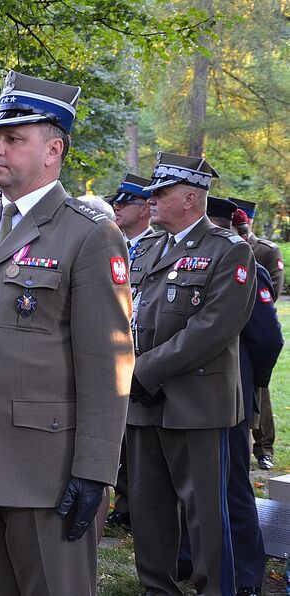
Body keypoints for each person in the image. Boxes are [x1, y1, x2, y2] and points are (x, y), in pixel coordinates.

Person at [0, 70, 133, 596]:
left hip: (45, 472)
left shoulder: (88, 235)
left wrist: (95, 470)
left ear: (53, 150)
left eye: (13, 138)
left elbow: (108, 361)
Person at [126, 152, 256, 595]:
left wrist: (145, 371)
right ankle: (156, 588)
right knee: (148, 510)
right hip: (143, 401)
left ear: (190, 198)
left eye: (161, 194)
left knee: (204, 514)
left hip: (195, 402)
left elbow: (214, 326)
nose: (152, 202)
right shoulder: (148, 249)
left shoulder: (229, 250)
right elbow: (130, 315)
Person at [198, 198, 281, 594]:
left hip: (231, 391)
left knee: (232, 486)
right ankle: (196, 561)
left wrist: (254, 385)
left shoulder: (249, 266)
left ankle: (246, 573)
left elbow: (267, 338)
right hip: (194, 395)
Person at [106, 172, 154, 532]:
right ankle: (124, 500)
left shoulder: (157, 245)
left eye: (125, 203)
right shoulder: (114, 242)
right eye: (116, 202)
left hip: (147, 356)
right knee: (119, 433)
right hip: (117, 349)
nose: (117, 207)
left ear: (145, 209)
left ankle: (135, 503)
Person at [233, 197, 284, 471]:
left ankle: (264, 447)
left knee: (260, 394)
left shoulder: (265, 250)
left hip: (256, 324)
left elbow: (271, 291)